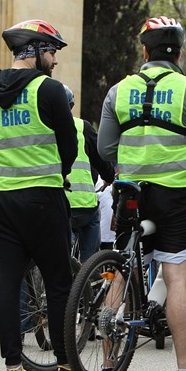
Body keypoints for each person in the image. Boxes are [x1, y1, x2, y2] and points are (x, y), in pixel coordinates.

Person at [98, 15, 186, 371]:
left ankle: (107, 363)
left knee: (121, 269)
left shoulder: (118, 91)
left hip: (130, 192)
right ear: (179, 53)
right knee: (177, 278)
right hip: (173, 195)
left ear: (145, 50)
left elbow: (105, 147)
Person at [0, 19, 77, 371]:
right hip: (42, 197)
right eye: (52, 51)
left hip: (1, 199)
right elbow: (70, 145)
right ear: (34, 51)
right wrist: (62, 172)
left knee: (7, 280)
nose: (54, 60)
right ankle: (66, 364)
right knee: (57, 281)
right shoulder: (48, 90)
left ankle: (13, 368)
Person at [63, 84, 116, 262]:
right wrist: (109, 177)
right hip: (84, 205)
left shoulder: (45, 130)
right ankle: (89, 273)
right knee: (93, 226)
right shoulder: (82, 127)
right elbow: (100, 158)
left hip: (57, 204)